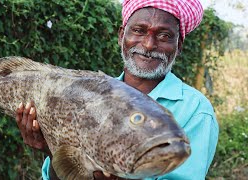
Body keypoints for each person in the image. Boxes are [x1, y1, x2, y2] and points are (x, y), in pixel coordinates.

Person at [16, 0, 219, 179]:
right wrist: (50, 148)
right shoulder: (90, 94)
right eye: (139, 30)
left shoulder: (195, 110)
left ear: (179, 45)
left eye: (164, 35)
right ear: (122, 35)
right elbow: (56, 175)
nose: (149, 45)